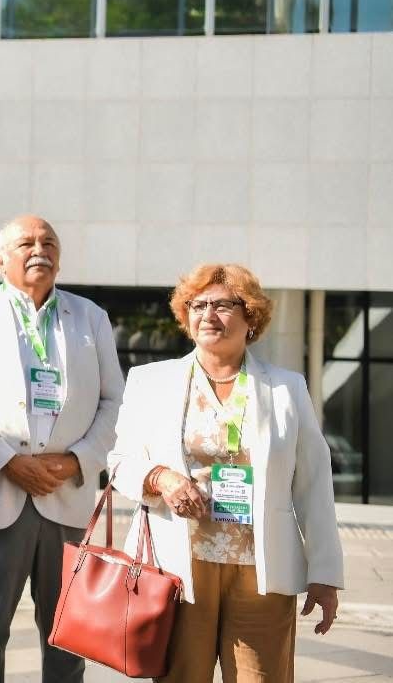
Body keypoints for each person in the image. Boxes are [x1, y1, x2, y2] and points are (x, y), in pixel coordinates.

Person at [108, 263, 343, 682]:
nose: (207, 315)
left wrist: (324, 573)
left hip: (262, 569)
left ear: (250, 316)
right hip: (178, 566)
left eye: (222, 305)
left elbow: (314, 484)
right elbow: (120, 462)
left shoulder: (287, 388)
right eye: (197, 305)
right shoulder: (150, 381)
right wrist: (161, 478)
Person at [0, 215, 124, 683]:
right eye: (27, 243)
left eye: (49, 242)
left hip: (67, 496)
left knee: (68, 642)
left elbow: (115, 402)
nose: (40, 250)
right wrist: (8, 463)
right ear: (0, 260)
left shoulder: (90, 317)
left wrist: (77, 460)